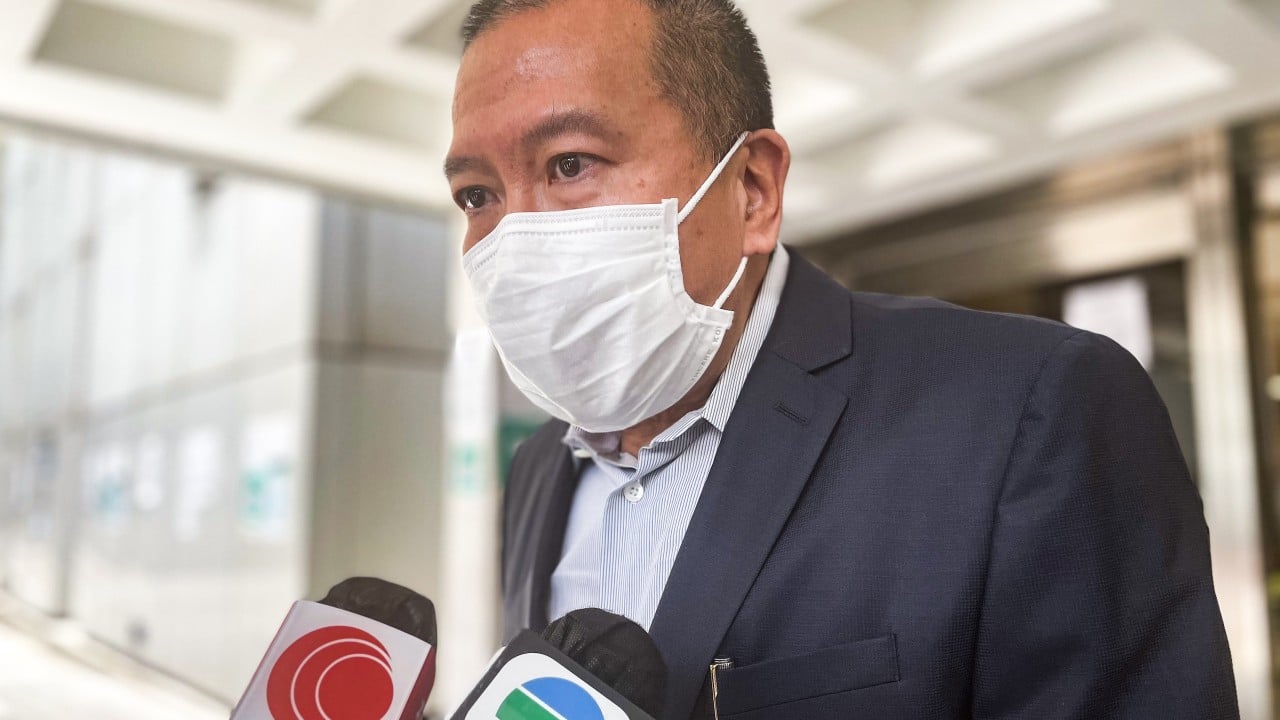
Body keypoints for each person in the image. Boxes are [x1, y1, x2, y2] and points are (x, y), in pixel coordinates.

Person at [443, 0, 1239, 717]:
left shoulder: (1031, 412)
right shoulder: (541, 467)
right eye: (477, 195)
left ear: (752, 188)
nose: (513, 239)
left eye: (571, 163)